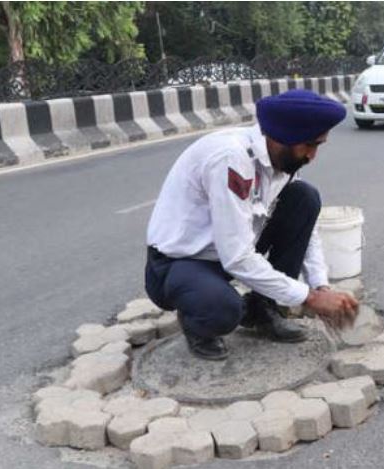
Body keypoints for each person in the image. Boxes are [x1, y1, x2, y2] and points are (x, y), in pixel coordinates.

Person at [145, 89, 359, 360]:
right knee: (223, 310)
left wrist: (320, 287)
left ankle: (263, 309)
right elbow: (236, 257)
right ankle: (197, 324)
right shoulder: (230, 159)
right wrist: (310, 299)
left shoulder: (281, 159)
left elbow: (307, 230)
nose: (312, 156)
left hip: (227, 251)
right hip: (179, 263)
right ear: (285, 138)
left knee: (304, 199)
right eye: (310, 145)